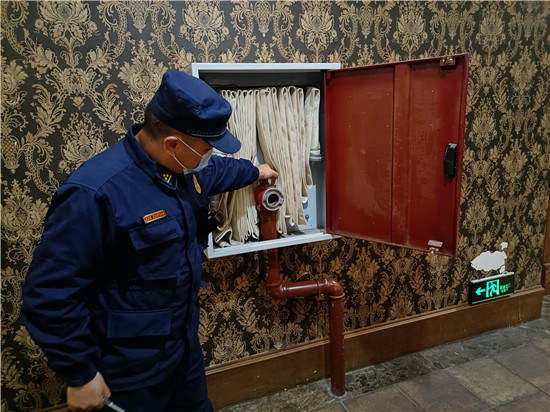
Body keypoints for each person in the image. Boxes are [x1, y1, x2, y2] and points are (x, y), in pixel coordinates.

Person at [22, 71, 278, 412]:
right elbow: (50, 294)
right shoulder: (94, 192)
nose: (209, 156)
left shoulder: (182, 169)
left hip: (183, 348)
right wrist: (79, 373)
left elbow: (217, 172)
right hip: (128, 365)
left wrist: (256, 172)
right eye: (206, 149)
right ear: (173, 144)